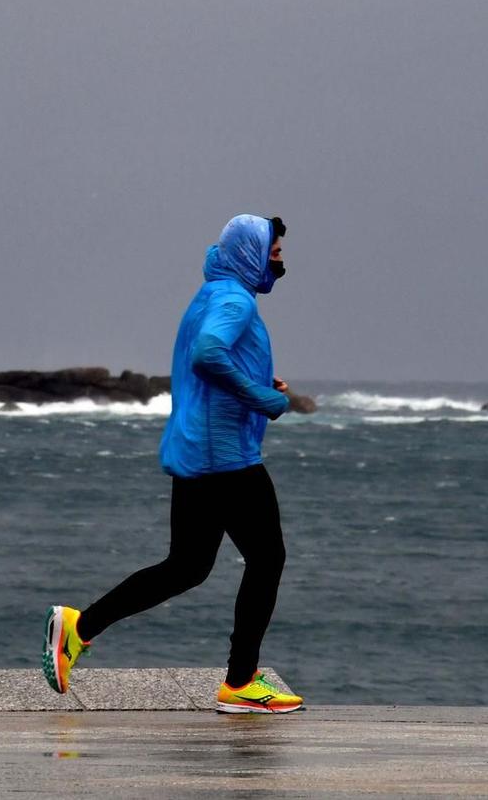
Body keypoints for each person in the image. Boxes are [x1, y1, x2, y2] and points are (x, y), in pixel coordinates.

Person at [44, 213, 305, 714]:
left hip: (197, 452)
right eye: (274, 250)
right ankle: (241, 682)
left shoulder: (212, 293)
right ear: (252, 253)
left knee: (185, 567)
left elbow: (207, 366)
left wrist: (255, 381)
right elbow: (209, 354)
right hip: (226, 458)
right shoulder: (233, 300)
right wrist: (260, 398)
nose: (281, 258)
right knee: (267, 558)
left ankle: (79, 627)